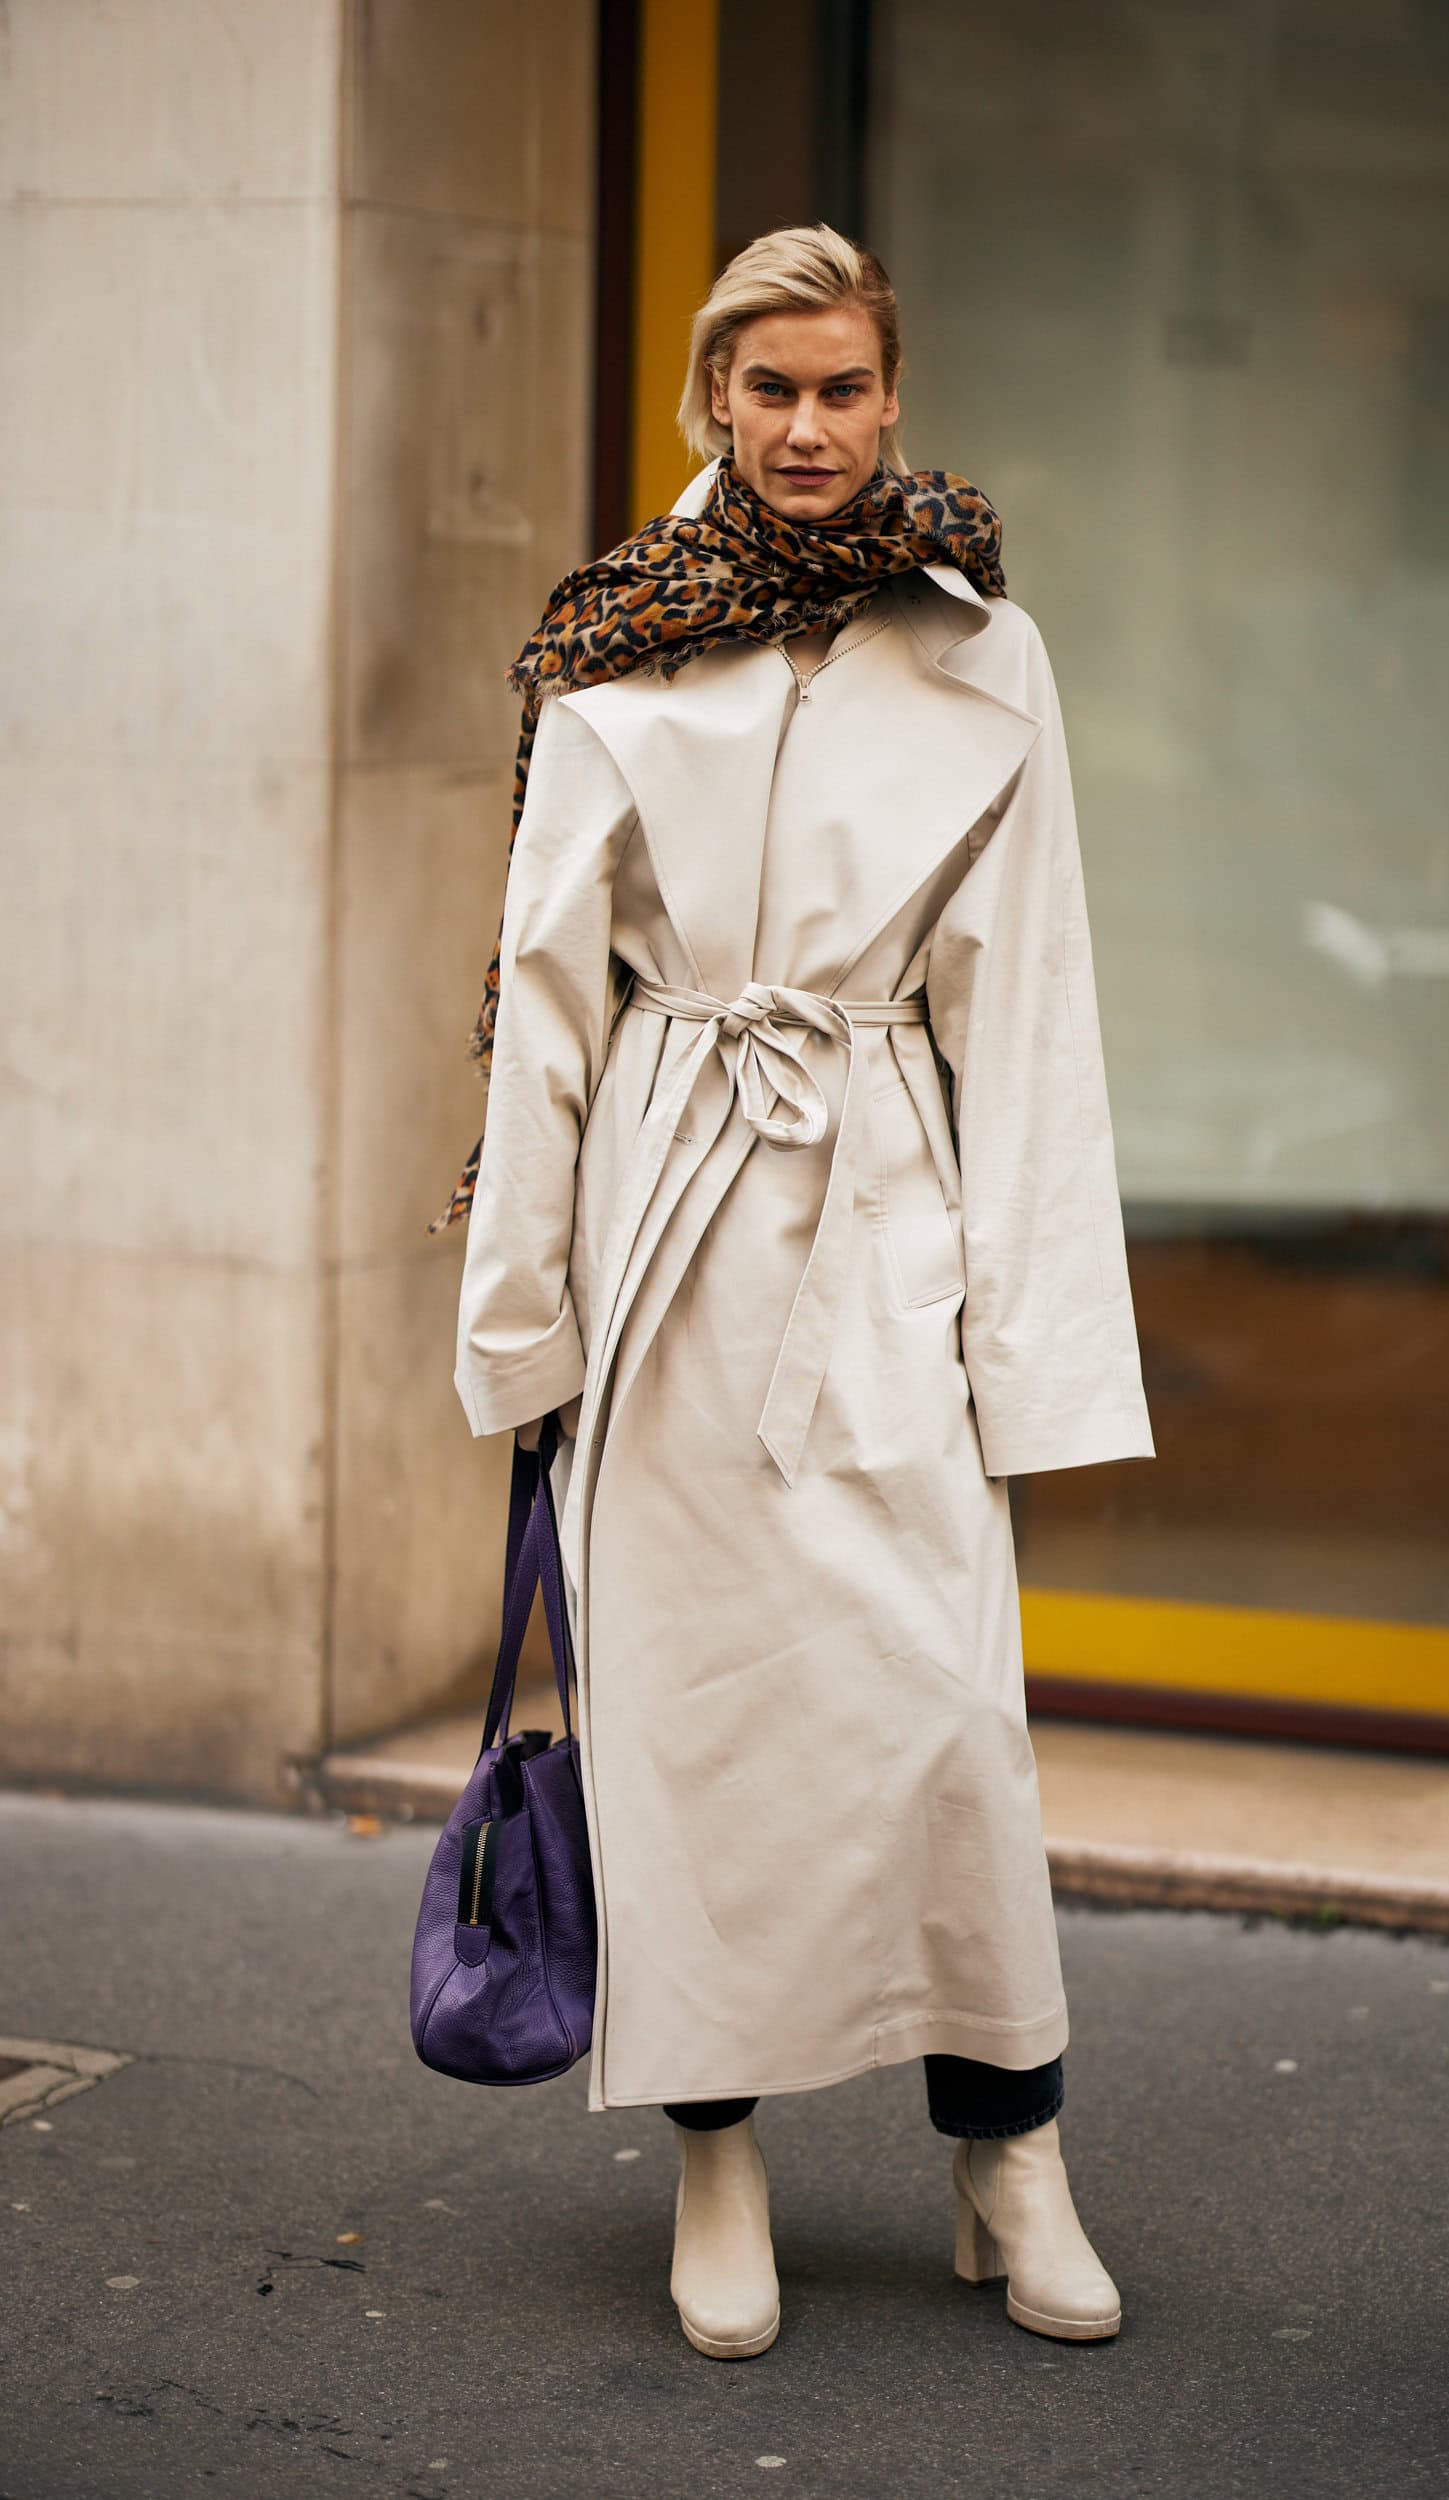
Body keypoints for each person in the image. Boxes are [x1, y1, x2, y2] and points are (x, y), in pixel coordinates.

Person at [445, 225, 1153, 2359]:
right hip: (666, 1203)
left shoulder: (982, 647)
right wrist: (521, 1322)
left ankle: (1006, 2147)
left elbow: (1027, 1014)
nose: (813, 427)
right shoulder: (611, 642)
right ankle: (718, 2158)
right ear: (711, 405)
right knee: (693, 1719)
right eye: (773, 390)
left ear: (891, 394)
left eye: (846, 387)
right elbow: (545, 1000)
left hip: (882, 1195)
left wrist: (1023, 1348)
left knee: (947, 1708)